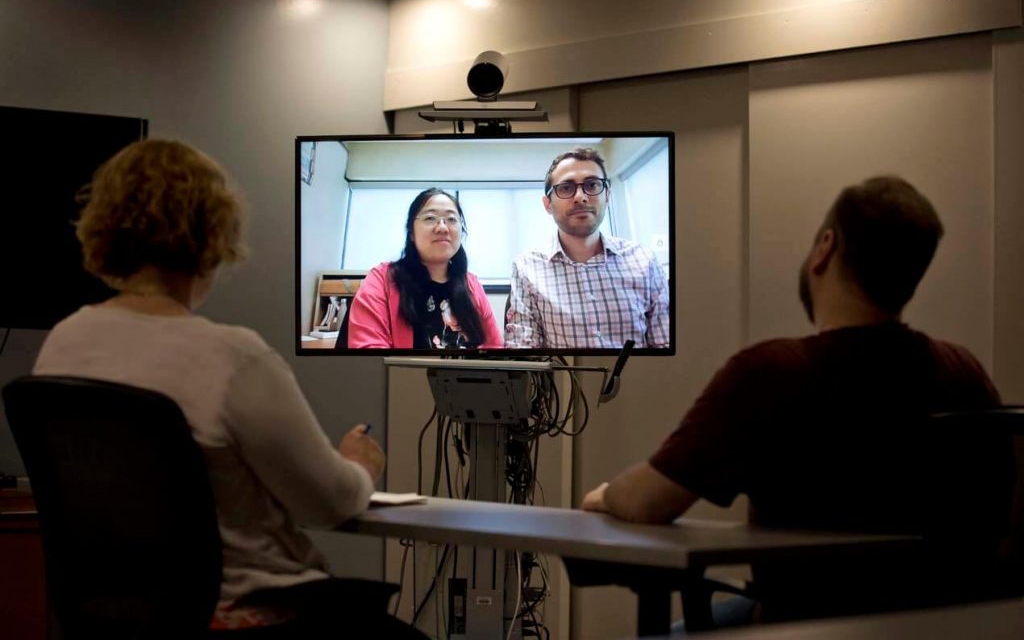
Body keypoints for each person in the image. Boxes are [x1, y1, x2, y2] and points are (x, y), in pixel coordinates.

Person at [32, 139, 424, 637]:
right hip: (252, 614)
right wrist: (359, 463)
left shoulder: (63, 343)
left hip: (120, 619)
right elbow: (328, 503)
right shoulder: (233, 357)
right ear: (213, 234)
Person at [581, 176, 1012, 623]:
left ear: (825, 246)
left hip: (803, 623)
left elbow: (648, 501)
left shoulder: (773, 373)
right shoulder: (963, 371)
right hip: (946, 627)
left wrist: (607, 496)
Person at [505, 147, 670, 349]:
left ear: (607, 196)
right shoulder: (526, 267)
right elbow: (524, 351)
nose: (580, 197)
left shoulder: (644, 260)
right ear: (547, 204)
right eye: (566, 188)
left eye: (592, 185)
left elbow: (666, 345)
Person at [346, 187, 503, 349]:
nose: (442, 227)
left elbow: (494, 348)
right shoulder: (383, 279)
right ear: (411, 233)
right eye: (430, 218)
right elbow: (370, 356)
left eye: (451, 219)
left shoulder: (471, 284)